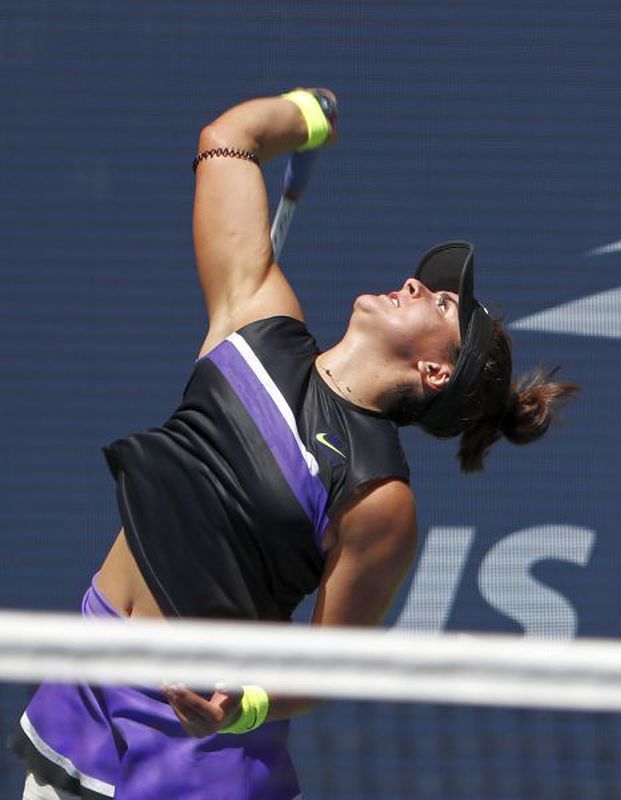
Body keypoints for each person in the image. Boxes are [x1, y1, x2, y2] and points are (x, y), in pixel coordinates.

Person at [9, 87, 577, 800]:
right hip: (88, 678)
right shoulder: (257, 319)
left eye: (440, 304)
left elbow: (321, 664)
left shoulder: (377, 493)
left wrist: (239, 703)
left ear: (435, 370)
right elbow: (229, 139)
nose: (414, 283)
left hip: (194, 752)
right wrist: (305, 114)